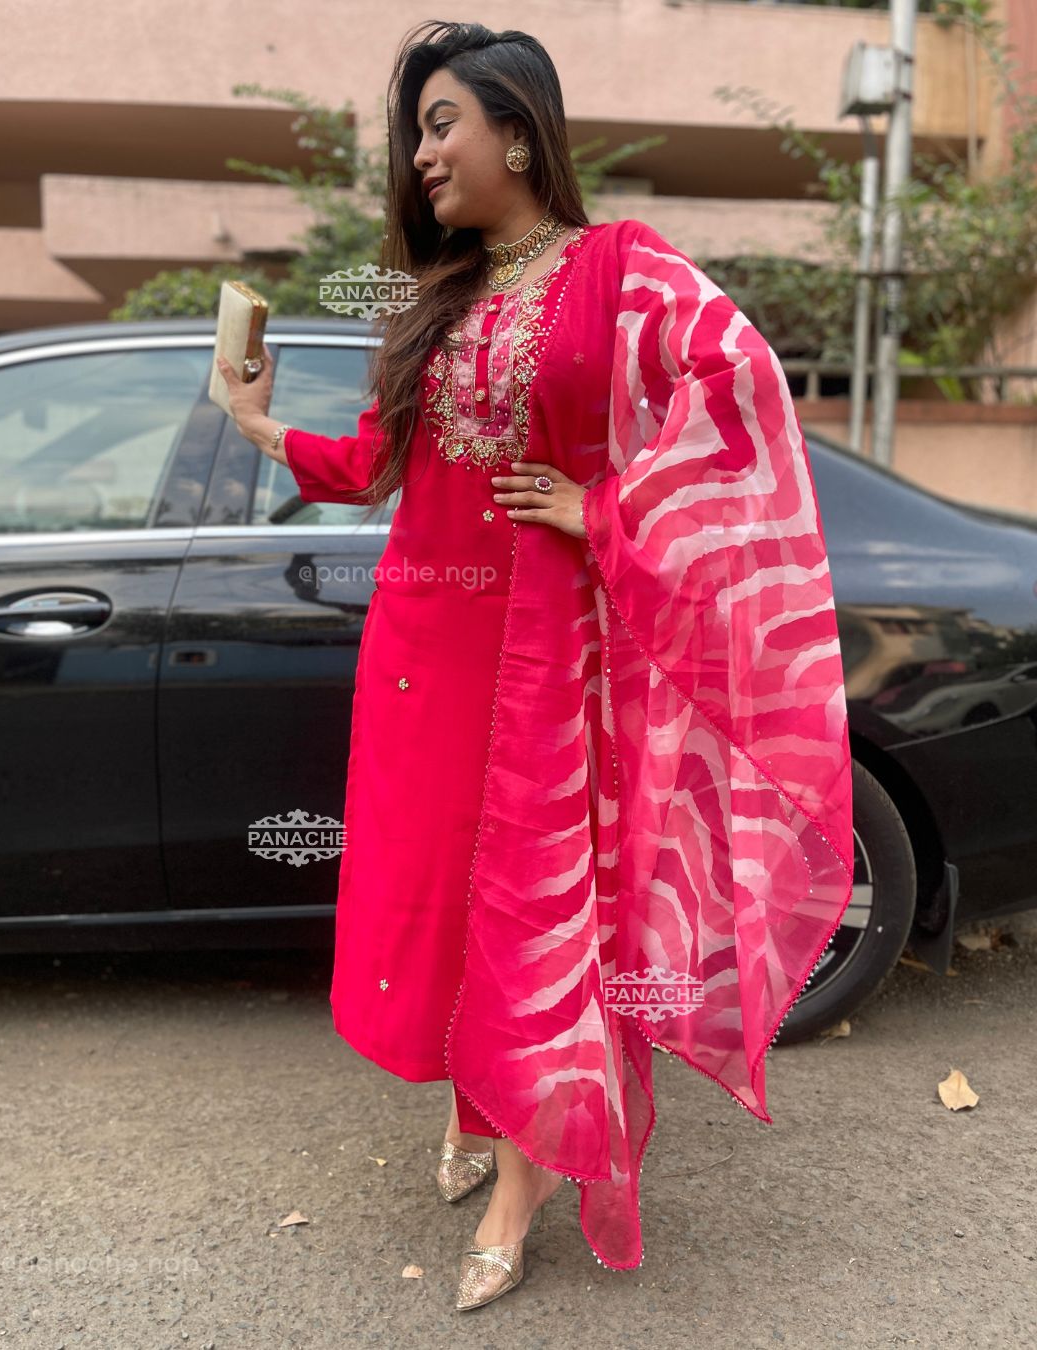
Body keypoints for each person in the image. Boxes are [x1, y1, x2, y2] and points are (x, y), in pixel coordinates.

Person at [215, 19, 854, 1312]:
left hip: (550, 658)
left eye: (442, 123)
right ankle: (476, 1096)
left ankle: (524, 1182)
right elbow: (378, 463)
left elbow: (741, 395)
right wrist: (256, 421)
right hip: (422, 652)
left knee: (537, 906)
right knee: (447, 899)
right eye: (415, 133)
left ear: (518, 131)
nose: (421, 154)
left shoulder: (620, 269)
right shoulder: (437, 296)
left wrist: (603, 507)